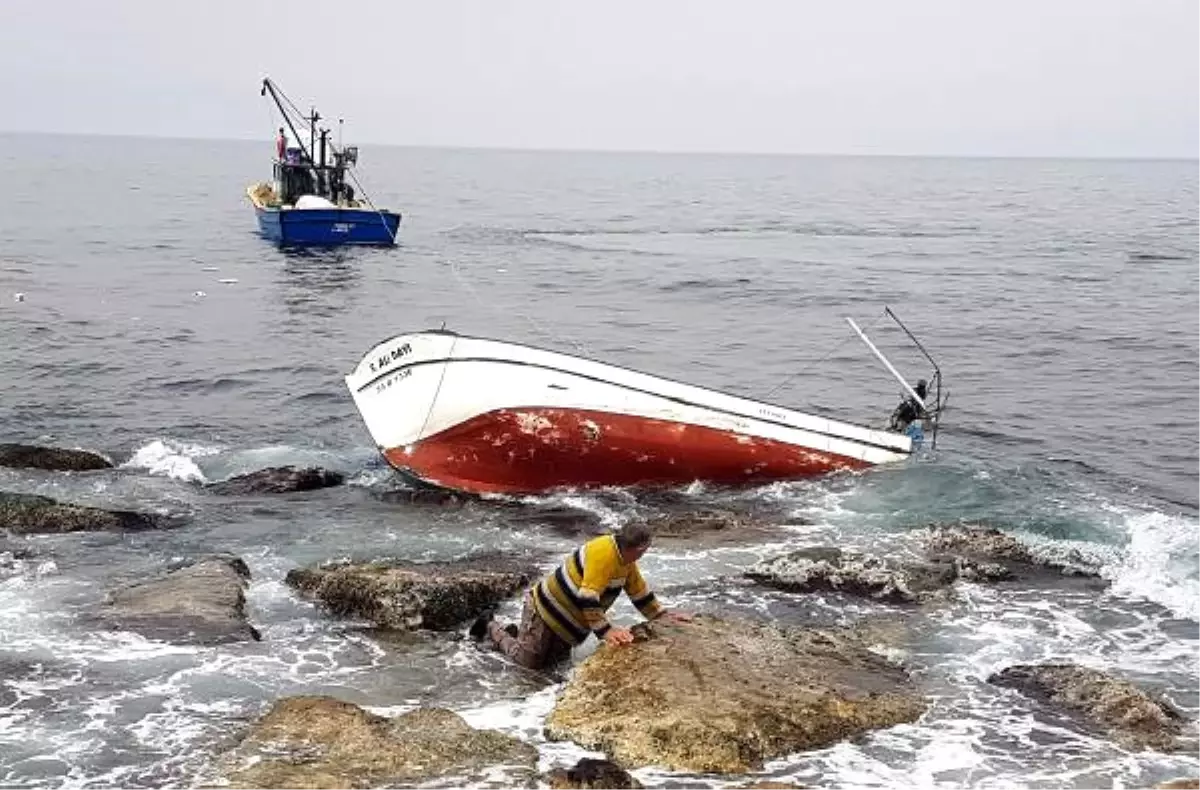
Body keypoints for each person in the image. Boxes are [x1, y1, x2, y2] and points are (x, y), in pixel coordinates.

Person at [470, 523, 692, 670]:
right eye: (645, 550)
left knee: (552, 670)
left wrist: (663, 615)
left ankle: (517, 635)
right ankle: (491, 627)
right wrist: (607, 631)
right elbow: (588, 597)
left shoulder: (626, 561)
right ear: (638, 548)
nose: (645, 554)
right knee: (528, 663)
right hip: (545, 609)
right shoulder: (603, 554)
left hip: (569, 623)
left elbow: (639, 592)